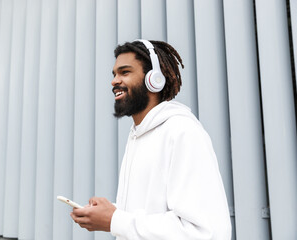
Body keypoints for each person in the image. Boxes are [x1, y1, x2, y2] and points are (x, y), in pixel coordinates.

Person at [70, 40, 231, 240]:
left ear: (154, 80)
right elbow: (153, 213)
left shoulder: (182, 132)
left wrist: (115, 220)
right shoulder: (138, 135)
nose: (114, 81)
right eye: (114, 74)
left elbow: (201, 231)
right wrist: (112, 212)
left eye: (125, 72)